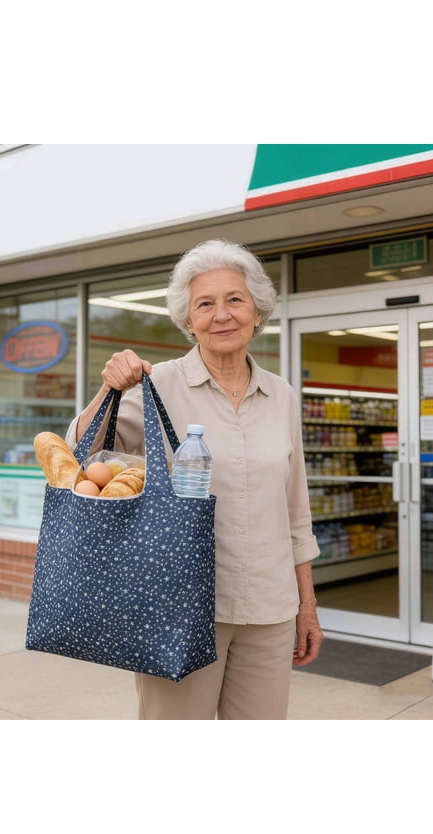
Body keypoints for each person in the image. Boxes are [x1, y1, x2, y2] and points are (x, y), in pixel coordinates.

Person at [65, 238, 323, 720]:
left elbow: (295, 509)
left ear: (257, 312)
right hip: (178, 605)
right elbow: (84, 448)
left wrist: (306, 604)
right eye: (205, 304)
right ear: (188, 320)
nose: (221, 314)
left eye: (235, 300)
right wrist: (109, 387)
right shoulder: (158, 384)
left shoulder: (282, 396)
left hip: (270, 607)